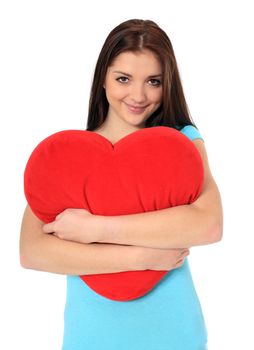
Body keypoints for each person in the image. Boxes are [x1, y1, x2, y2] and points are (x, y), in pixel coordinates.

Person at [20, 19, 223, 350]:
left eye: (153, 81)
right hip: (89, 337)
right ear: (103, 78)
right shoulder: (72, 154)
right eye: (123, 79)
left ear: (167, 84)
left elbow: (208, 224)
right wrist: (143, 257)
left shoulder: (182, 143)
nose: (138, 95)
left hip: (173, 334)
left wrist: (95, 230)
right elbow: (32, 252)